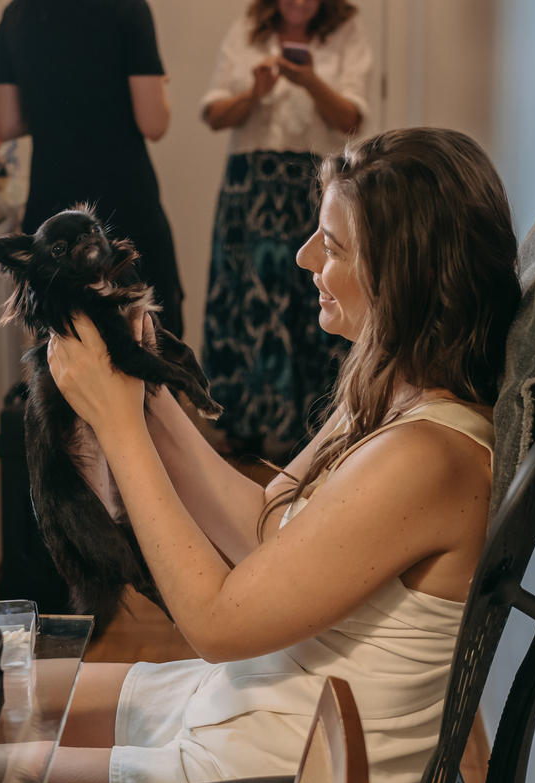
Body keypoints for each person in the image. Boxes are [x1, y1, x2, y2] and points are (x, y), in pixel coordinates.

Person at [23, 128, 522, 783]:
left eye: (332, 246)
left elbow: (216, 624)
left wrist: (118, 427)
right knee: (7, 689)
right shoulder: (395, 388)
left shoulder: (429, 459)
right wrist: (147, 390)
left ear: (402, 276)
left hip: (279, 764)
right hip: (255, 696)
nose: (303, 255)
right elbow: (265, 523)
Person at [201, 0, 371, 456]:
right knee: (246, 297)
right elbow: (213, 115)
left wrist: (309, 80)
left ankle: (318, 425)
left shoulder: (346, 34)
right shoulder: (247, 32)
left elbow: (352, 121)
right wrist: (254, 94)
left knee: (316, 293)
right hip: (249, 190)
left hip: (315, 191)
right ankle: (243, 424)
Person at [0, 0, 184, 337]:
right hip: (122, 212)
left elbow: (7, 123)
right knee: (150, 342)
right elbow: (153, 122)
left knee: (64, 347)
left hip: (52, 222)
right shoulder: (127, 7)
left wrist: (55, 115)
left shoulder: (17, 14)